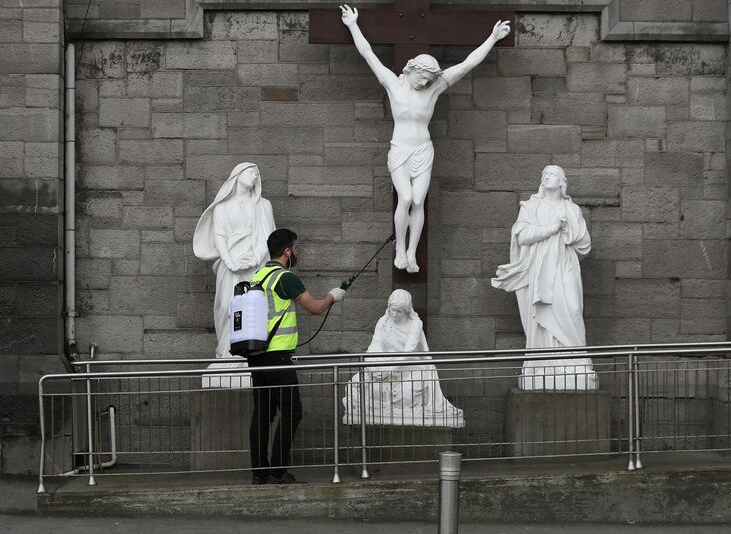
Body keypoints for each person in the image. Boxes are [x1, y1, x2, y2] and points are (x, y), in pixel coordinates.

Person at [340, 4, 511, 274]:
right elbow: (368, 53)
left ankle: (411, 252)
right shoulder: (392, 84)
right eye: (423, 77)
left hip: (423, 149)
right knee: (405, 198)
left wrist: (492, 38)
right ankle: (399, 249)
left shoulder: (434, 89)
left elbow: (467, 64)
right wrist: (352, 24)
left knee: (419, 201)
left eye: (430, 79)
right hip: (400, 149)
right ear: (412, 70)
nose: (424, 83)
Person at [248, 228, 346, 484]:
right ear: (287, 251)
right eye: (297, 248)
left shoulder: (258, 276)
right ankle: (279, 471)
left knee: (262, 415)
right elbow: (315, 307)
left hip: (257, 356)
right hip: (278, 357)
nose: (298, 253)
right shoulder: (285, 277)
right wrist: (333, 296)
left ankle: (260, 473)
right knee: (292, 411)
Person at [491, 165, 598, 390]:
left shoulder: (573, 209)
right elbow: (522, 237)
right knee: (542, 314)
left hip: (564, 266)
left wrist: (567, 229)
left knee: (572, 309)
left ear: (562, 182)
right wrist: (552, 228)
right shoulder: (531, 207)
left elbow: (585, 244)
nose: (547, 177)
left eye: (552, 174)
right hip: (539, 270)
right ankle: (542, 363)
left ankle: (576, 363)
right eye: (544, 175)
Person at [342, 289, 464, 428]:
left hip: (409, 368)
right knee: (356, 382)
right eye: (392, 309)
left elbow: (408, 352)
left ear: (407, 310)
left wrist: (388, 370)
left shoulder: (415, 324)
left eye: (399, 311)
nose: (394, 314)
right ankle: (376, 403)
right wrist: (372, 368)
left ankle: (390, 402)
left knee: (408, 392)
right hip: (385, 366)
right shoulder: (383, 322)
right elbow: (373, 348)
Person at [193, 162, 275, 359]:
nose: (254, 177)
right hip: (230, 266)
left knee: (255, 307)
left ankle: (252, 355)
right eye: (250, 172)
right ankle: (226, 354)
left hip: (256, 265)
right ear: (236, 175)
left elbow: (268, 237)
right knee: (225, 306)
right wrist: (231, 263)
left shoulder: (263, 206)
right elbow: (219, 237)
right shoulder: (222, 207)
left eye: (257, 174)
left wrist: (255, 258)